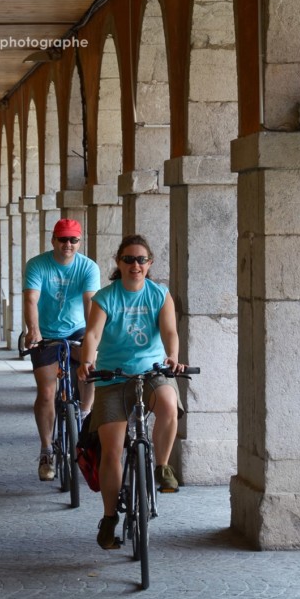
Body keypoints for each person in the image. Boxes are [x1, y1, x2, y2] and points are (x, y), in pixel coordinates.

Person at [77, 234, 185, 550]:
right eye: (128, 259)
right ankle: (110, 518)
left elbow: (169, 332)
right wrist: (87, 361)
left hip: (151, 372)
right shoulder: (105, 298)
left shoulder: (159, 294)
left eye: (141, 260)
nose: (135, 265)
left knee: (167, 403)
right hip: (113, 377)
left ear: (149, 264)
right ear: (119, 263)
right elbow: (93, 333)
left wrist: (172, 358)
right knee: (111, 451)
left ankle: (162, 467)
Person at [23, 219, 101, 481]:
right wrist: (33, 330)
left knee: (91, 366)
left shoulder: (88, 267)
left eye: (73, 240)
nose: (68, 244)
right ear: (53, 240)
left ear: (79, 241)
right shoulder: (37, 265)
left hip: (78, 329)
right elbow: (31, 299)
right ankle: (46, 450)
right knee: (46, 393)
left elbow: (90, 302)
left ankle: (84, 413)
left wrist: (92, 338)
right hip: (46, 332)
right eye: (63, 239)